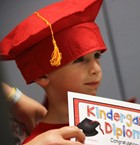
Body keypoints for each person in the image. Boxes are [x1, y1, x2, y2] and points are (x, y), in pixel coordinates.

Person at [0, 0, 107, 144]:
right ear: (42, 76)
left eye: (97, 56)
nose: (96, 69)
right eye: (79, 60)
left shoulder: (119, 123)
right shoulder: (42, 142)